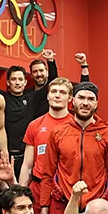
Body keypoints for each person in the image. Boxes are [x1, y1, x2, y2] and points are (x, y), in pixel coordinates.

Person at [38, 82, 108, 214]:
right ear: (73, 100)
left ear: (96, 104)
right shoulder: (58, 132)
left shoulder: (107, 134)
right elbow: (47, 175)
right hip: (62, 204)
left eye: (90, 99)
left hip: (96, 207)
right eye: (81, 98)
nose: (85, 103)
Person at [0, 56, 56, 176]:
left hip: (26, 156)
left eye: (20, 79)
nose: (17, 82)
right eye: (13, 79)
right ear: (8, 82)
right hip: (5, 155)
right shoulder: (1, 97)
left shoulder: (32, 98)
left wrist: (51, 61)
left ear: (25, 82)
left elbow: (52, 82)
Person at [19, 77, 72, 207]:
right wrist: (21, 194)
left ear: (70, 98)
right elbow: (27, 165)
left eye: (62, 92)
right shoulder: (35, 125)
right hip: (38, 186)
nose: (57, 95)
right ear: (48, 96)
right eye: (53, 91)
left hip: (65, 188)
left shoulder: (76, 126)